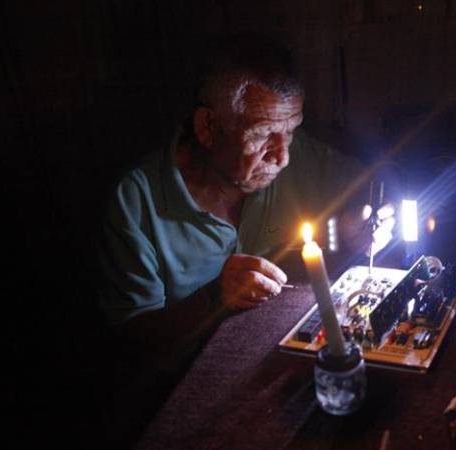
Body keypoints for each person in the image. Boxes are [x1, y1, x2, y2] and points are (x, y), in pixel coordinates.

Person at [98, 34, 395, 351]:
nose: (282, 157)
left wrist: (357, 226)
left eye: (291, 131)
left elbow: (378, 182)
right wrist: (214, 300)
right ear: (208, 128)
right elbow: (132, 338)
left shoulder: (298, 157)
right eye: (262, 135)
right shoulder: (136, 201)